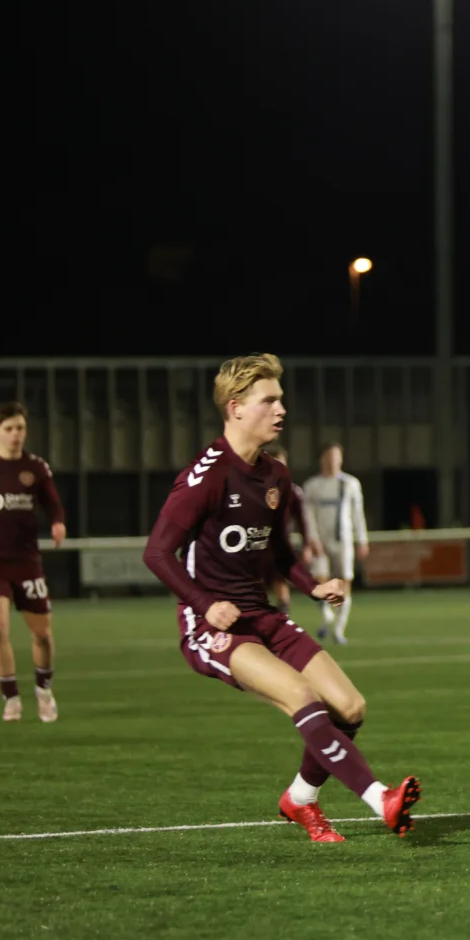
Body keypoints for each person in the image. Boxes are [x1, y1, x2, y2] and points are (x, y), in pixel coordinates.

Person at [143, 353, 418, 843]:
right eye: (269, 401)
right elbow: (157, 553)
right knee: (302, 697)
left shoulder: (276, 477)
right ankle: (382, 800)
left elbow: (279, 554)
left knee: (350, 707)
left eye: (281, 400)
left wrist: (314, 586)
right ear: (236, 408)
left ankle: (300, 799)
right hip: (212, 627)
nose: (281, 409)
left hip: (262, 614)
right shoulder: (206, 476)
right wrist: (205, 604)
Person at [0, 401, 67, 722]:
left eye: (20, 428)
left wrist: (58, 523)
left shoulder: (36, 468)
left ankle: (44, 690)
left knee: (42, 635)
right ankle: (11, 698)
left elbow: (53, 503)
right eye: (9, 429)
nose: (16, 434)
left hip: (26, 561)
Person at [301, 444, 369, 644]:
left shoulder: (350, 483)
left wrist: (362, 539)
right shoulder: (312, 485)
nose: (332, 460)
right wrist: (312, 538)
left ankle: (339, 629)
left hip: (344, 539)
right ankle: (326, 616)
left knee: (344, 581)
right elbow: (307, 516)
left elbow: (357, 514)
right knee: (320, 580)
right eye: (329, 456)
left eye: (336, 456)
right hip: (320, 541)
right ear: (321, 459)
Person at [262, 444, 323, 615]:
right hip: (254, 546)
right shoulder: (251, 489)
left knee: (281, 585)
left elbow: (303, 521)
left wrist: (307, 545)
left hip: (279, 546)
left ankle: (283, 620)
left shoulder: (293, 491)